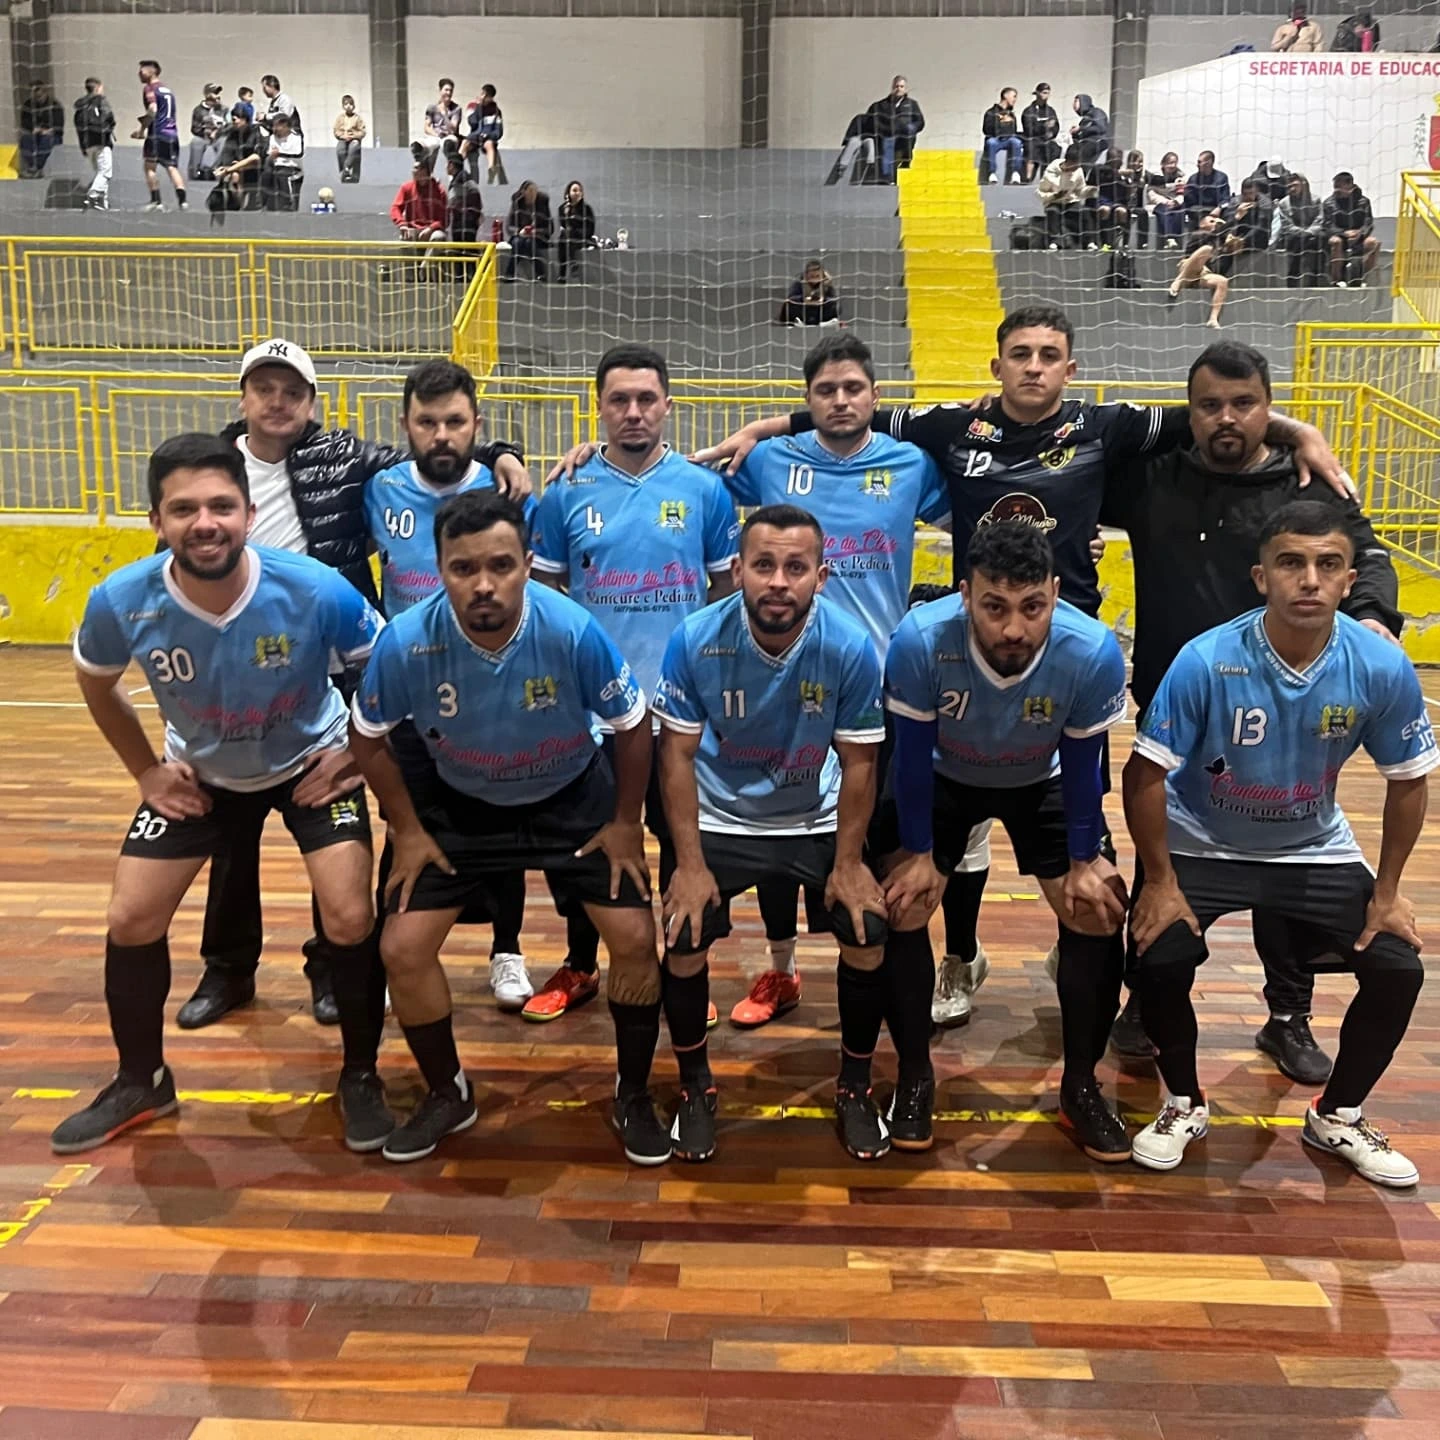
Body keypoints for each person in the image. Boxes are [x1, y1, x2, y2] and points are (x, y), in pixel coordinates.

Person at [694, 306, 1349, 1053]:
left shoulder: (1104, 426)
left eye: (1048, 354)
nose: (1034, 366)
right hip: (962, 653)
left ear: (1070, 367)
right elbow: (849, 411)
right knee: (938, 828)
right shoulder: (952, 429)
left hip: (1068, 663)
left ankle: (1103, 965)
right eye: (1021, 354)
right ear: (997, 364)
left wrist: (1299, 433)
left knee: (1083, 835)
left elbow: (1213, 416)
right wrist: (764, 428)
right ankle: (956, 958)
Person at [177, 338, 529, 1032]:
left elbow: (439, 453)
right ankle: (228, 969)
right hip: (229, 674)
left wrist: (503, 452)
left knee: (330, 825)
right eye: (264, 389)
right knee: (230, 831)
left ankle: (332, 970)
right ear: (243, 397)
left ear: (311, 403)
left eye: (292, 392)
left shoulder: (345, 460)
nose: (277, 402)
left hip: (326, 673)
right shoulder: (210, 470)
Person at [53, 432, 388, 1157]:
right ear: (157, 520)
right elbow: (96, 682)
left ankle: (362, 1076)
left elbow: (387, 671)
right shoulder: (122, 599)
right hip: (200, 774)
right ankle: (141, 1080)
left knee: (349, 913)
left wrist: (354, 755)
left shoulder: (313, 587)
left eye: (221, 506)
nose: (204, 523)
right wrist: (146, 772)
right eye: (183, 509)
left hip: (308, 763)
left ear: (248, 513)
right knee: (131, 916)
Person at [1102, 342, 1401, 1085]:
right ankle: (1144, 996)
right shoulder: (1151, 478)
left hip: (1293, 708)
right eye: (1209, 406)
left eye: (1245, 404)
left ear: (1269, 406)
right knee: (1161, 841)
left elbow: (1365, 555)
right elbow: (1074, 461)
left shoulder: (1304, 481)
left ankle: (1288, 1013)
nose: (1227, 418)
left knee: (1285, 845)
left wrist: (1372, 616)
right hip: (1178, 697)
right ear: (1189, 411)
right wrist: (1299, 426)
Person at [349, 491, 669, 1164]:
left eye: (500, 565)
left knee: (637, 939)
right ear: (439, 569)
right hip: (462, 802)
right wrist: (407, 828)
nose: (484, 584)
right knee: (402, 948)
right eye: (463, 568)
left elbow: (633, 724)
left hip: (571, 794)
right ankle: (449, 1092)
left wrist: (625, 821)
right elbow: (367, 737)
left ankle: (634, 1092)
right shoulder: (404, 641)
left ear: (527, 563)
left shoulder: (571, 629)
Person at [1124, 500, 1433, 1184]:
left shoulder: (1379, 666)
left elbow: (1409, 780)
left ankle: (1338, 1115)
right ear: (1261, 576)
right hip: (1204, 841)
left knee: (1398, 968)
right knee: (1159, 955)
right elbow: (1144, 774)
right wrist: (1160, 881)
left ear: (1349, 580)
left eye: (1328, 565)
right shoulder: (1207, 658)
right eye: (1291, 563)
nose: (1310, 580)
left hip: (1312, 846)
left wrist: (1387, 893)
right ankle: (1183, 1103)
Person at [720, 333, 955, 1028]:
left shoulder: (911, 464)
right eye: (826, 390)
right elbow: (686, 482)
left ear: (876, 397)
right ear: (808, 400)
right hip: (784, 677)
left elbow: (979, 515)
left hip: (882, 684)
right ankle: (781, 967)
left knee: (873, 831)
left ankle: (881, 960)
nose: (841, 400)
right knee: (776, 824)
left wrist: (1069, 537)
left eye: (853, 388)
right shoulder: (771, 460)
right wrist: (591, 456)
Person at [877, 522, 1131, 1159]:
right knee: (902, 903)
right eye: (994, 607)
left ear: (1055, 593)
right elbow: (908, 759)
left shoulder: (1091, 649)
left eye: (1032, 607)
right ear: (965, 595)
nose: (1014, 628)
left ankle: (1080, 1086)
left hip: (1043, 777)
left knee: (1097, 908)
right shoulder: (919, 640)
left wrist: (1084, 860)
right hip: (943, 775)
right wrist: (918, 854)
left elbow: (1085, 765)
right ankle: (914, 1077)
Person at [648, 505, 888, 1162]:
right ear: (738, 571)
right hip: (720, 816)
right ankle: (695, 1087)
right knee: (683, 935)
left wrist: (849, 863)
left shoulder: (848, 645)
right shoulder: (695, 638)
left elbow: (860, 762)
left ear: (821, 577)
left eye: (795, 567)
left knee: (867, 931)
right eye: (763, 565)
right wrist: (688, 864)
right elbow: (675, 757)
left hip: (813, 815)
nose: (778, 581)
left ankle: (855, 1087)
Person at [528, 345, 739, 1023]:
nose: (634, 412)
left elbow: (725, 595)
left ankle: (684, 963)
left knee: (683, 843)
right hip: (596, 715)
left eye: (647, 399)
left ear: (668, 406)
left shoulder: (704, 491)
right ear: (599, 408)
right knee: (590, 845)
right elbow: (545, 599)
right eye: (619, 400)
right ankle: (582, 962)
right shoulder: (566, 491)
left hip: (678, 712)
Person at [363, 361, 538, 1014]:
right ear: (405, 424)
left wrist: (505, 456)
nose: (441, 435)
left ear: (476, 425)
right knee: (401, 826)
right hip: (411, 690)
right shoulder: (378, 490)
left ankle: (507, 951)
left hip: (496, 684)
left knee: (505, 824)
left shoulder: (509, 490)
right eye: (427, 421)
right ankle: (392, 952)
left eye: (455, 422)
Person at [823, 76, 925, 186]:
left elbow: (920, 121)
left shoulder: (912, 105)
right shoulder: (881, 105)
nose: (899, 89)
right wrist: (882, 131)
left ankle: (904, 163)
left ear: (905, 88)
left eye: (901, 86)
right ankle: (888, 179)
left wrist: (911, 128)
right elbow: (871, 121)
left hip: (903, 138)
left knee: (904, 139)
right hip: (886, 137)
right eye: (896, 86)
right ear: (892, 87)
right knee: (887, 145)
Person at [134, 60, 187, 212]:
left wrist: (141, 130)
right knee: (172, 167)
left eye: (142, 71)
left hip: (157, 134)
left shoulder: (150, 88)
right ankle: (183, 202)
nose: (139, 74)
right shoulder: (167, 90)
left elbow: (153, 109)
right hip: (172, 133)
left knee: (149, 167)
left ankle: (156, 202)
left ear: (152, 72)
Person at [1165, 215, 1234, 329]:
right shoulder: (1198, 234)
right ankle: (1178, 281)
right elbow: (1213, 235)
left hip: (1203, 275)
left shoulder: (1217, 241)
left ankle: (1213, 319)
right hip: (1188, 270)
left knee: (1223, 281)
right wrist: (1233, 219)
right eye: (1211, 221)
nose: (1215, 223)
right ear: (1202, 224)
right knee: (1206, 250)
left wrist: (1229, 249)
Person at [1323, 171, 1380, 287]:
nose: (1336, 190)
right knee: (1335, 242)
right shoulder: (1329, 203)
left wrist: (1360, 233)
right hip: (1340, 237)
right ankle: (1336, 280)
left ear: (1350, 186)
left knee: (1373, 243)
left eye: (1339, 186)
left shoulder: (1364, 201)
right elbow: (1327, 225)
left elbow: (1368, 223)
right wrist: (1344, 233)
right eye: (1335, 187)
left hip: (1359, 237)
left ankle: (1362, 277)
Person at [1038, 146, 1096, 250]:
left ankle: (1089, 242)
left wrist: (1089, 191)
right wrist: (1055, 196)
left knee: (1084, 212)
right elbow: (1040, 192)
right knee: (1052, 212)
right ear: (1067, 161)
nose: (1075, 168)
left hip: (1070, 201)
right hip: (1054, 201)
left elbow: (1079, 190)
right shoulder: (1051, 172)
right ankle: (1054, 241)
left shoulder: (1078, 170)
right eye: (1074, 165)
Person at [210, 106, 266, 213]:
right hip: (238, 170)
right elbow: (227, 156)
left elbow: (256, 158)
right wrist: (226, 168)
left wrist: (233, 168)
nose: (234, 119)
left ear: (246, 119)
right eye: (233, 117)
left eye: (238, 117)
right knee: (234, 176)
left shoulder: (256, 132)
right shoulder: (232, 135)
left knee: (236, 172)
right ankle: (236, 205)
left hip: (258, 170)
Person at [1276, 172, 1326, 287]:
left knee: (1321, 240)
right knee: (1298, 242)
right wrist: (1301, 232)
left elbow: (1320, 219)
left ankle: (1317, 277)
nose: (1292, 189)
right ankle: (1293, 277)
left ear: (1303, 185)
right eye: (1289, 186)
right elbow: (1287, 225)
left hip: (1313, 234)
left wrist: (1309, 232)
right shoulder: (1284, 203)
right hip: (1294, 236)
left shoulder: (1315, 199)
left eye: (1295, 185)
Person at [74, 77, 116, 211]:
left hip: (88, 145)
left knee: (99, 173)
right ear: (97, 88)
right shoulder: (101, 101)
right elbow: (110, 118)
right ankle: (93, 196)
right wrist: (110, 127)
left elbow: (78, 127)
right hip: (102, 142)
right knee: (105, 172)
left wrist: (83, 147)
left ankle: (103, 203)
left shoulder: (80, 106)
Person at [1096, 150, 1147, 250]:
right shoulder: (1104, 171)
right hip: (1105, 200)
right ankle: (1106, 243)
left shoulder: (1127, 176)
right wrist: (1121, 173)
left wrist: (1132, 186)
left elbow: (1127, 195)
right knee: (1105, 210)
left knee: (1122, 211)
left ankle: (1124, 243)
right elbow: (1105, 173)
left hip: (1119, 202)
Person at [503, 181, 552, 282]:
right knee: (518, 242)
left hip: (538, 237)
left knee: (529, 242)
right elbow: (509, 227)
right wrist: (519, 231)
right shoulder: (517, 203)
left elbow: (550, 228)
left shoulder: (543, 203)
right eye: (530, 191)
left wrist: (535, 232)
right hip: (520, 236)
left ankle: (540, 274)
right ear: (523, 192)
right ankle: (511, 274)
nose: (533, 194)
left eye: (535, 191)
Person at [390, 159, 448, 243]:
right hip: (412, 229)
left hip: (433, 230)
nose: (413, 171)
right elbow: (395, 208)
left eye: (416, 168)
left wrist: (431, 228)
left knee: (438, 237)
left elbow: (445, 217)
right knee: (405, 237)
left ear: (425, 171)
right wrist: (402, 224)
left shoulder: (439, 191)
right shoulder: (406, 188)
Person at [461, 84, 506, 185]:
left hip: (488, 137)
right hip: (476, 136)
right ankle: (457, 164)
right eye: (482, 94)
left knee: (489, 145)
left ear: (491, 98)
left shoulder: (496, 111)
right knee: (465, 143)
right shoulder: (475, 107)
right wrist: (478, 107)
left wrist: (489, 136)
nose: (483, 97)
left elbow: (498, 131)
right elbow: (472, 122)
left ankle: (491, 169)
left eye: (486, 96)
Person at [18, 80, 64, 179]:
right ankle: (32, 166)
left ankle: (39, 167)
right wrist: (34, 129)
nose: (37, 98)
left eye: (39, 95)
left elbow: (59, 125)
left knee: (46, 140)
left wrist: (47, 131)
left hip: (51, 134)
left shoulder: (55, 105)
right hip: (35, 133)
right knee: (25, 140)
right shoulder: (28, 105)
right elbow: (24, 122)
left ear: (44, 93)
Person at [263, 111, 304, 212]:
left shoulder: (296, 137)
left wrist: (279, 153)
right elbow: (269, 154)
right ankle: (264, 203)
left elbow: (298, 153)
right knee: (265, 174)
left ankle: (289, 205)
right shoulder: (272, 138)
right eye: (273, 126)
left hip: (293, 169)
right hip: (276, 167)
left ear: (285, 126)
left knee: (282, 175)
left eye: (277, 126)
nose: (274, 128)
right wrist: (271, 156)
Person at [777, 261, 840, 326]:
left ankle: (824, 323)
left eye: (817, 276)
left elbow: (833, 299)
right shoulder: (799, 283)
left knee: (833, 304)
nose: (815, 279)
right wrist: (806, 298)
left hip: (820, 310)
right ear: (806, 275)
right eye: (812, 276)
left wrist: (825, 287)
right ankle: (797, 323)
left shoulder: (826, 284)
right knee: (789, 303)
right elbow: (792, 298)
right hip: (803, 310)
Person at [556, 181, 596, 284]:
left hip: (583, 236)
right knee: (563, 239)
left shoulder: (587, 209)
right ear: (568, 193)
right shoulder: (562, 208)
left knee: (567, 236)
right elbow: (564, 225)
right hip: (568, 237)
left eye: (580, 191)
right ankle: (570, 266)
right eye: (574, 190)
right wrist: (567, 213)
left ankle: (563, 272)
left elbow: (590, 228)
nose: (577, 193)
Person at [982, 88, 1024, 185]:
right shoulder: (991, 112)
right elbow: (986, 130)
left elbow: (1013, 131)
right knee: (991, 143)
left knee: (1016, 142)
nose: (1015, 100)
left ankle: (1015, 173)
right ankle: (992, 173)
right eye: (1014, 96)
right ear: (1006, 96)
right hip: (996, 139)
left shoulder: (1011, 114)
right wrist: (999, 121)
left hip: (1008, 139)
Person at [1020, 83, 1060, 183]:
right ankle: (1028, 177)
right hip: (1033, 139)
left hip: (1047, 140)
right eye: (1044, 93)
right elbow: (1028, 129)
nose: (1046, 96)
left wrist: (1052, 133)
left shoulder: (1050, 111)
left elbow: (1056, 126)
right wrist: (1044, 126)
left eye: (1048, 93)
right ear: (1037, 93)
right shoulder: (1029, 111)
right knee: (1031, 149)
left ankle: (1047, 176)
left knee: (1055, 148)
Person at [415, 77, 462, 162]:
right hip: (436, 135)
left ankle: (451, 165)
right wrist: (436, 135)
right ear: (440, 91)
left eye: (450, 91)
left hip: (449, 136)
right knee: (428, 144)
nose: (448, 93)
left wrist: (444, 114)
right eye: (446, 90)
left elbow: (453, 129)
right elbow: (426, 127)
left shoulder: (456, 108)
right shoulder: (432, 108)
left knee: (449, 143)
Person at [1147, 152, 1187, 248]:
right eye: (1170, 163)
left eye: (1175, 163)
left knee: (1180, 211)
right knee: (1164, 211)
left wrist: (1176, 201)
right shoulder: (1155, 176)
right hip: (1160, 203)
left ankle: (1177, 239)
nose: (1172, 165)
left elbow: (1182, 193)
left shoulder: (1181, 176)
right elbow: (1151, 194)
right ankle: (1169, 238)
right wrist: (1165, 201)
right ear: (1163, 164)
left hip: (1175, 202)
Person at [1183, 151, 1230, 232]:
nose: (1197, 165)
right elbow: (1189, 203)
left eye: (1200, 162)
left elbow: (1226, 199)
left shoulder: (1222, 177)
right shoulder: (1193, 179)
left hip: (1216, 210)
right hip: (1198, 212)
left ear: (1209, 163)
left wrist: (1219, 208)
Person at [446, 152, 485, 248]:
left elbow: (455, 203)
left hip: (464, 222)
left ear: (451, 165)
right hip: (466, 221)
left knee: (463, 249)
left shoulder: (460, 180)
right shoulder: (463, 178)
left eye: (447, 164)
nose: (446, 167)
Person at [188, 82, 226, 180]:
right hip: (203, 136)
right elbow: (194, 128)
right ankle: (195, 172)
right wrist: (205, 131)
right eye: (215, 92)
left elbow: (228, 125)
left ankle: (216, 170)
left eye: (218, 93)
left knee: (225, 142)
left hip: (218, 137)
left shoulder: (223, 109)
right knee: (195, 142)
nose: (217, 95)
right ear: (207, 94)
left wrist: (217, 132)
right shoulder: (198, 110)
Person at [1069, 93, 1109, 168]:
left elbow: (1101, 128)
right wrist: (1075, 133)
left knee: (1082, 153)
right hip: (1086, 142)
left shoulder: (1097, 112)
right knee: (1071, 150)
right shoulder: (1083, 120)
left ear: (1083, 102)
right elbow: (1080, 138)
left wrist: (1080, 129)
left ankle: (1081, 172)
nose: (1073, 104)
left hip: (1098, 141)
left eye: (1076, 101)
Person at [334, 95, 366, 183]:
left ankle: (346, 167)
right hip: (343, 138)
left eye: (350, 104)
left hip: (354, 139)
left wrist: (354, 136)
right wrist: (343, 136)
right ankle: (344, 171)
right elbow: (336, 130)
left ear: (353, 106)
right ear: (343, 106)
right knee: (340, 149)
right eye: (346, 104)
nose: (348, 106)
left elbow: (362, 132)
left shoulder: (357, 118)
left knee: (354, 147)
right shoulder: (340, 118)